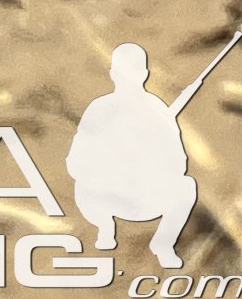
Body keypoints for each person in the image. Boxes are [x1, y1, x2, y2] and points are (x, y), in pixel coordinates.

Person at [65, 41, 201, 269]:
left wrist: (147, 161)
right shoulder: (99, 110)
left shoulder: (158, 111)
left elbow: (179, 164)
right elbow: (75, 163)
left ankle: (163, 244)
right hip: (105, 198)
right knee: (82, 186)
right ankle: (105, 228)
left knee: (186, 187)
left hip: (145, 198)